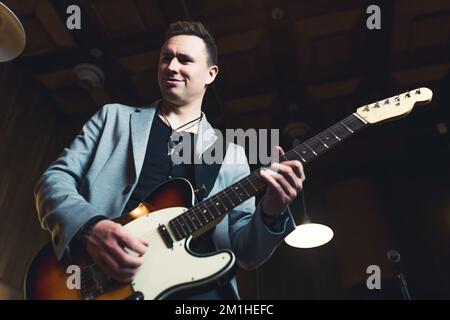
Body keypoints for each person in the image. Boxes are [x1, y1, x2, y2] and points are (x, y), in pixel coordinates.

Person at [34, 21, 305, 299]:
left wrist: (272, 209)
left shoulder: (231, 155)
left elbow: (246, 252)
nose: (172, 67)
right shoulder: (113, 118)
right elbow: (54, 181)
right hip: (99, 278)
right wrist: (91, 227)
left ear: (210, 74)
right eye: (166, 58)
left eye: (184, 60)